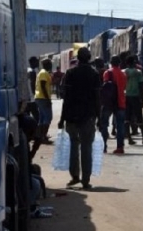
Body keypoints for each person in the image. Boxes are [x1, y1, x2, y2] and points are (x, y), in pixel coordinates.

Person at [58, 47, 101, 190]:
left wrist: (62, 118)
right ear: (89, 58)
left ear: (78, 58)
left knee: (73, 146)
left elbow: (67, 97)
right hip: (88, 116)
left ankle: (74, 176)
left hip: (72, 115)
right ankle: (85, 180)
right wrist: (99, 117)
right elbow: (97, 97)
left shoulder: (70, 73)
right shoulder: (94, 74)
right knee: (87, 147)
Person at [123, 55, 143, 145]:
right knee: (139, 118)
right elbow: (141, 85)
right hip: (135, 97)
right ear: (134, 63)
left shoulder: (123, 72)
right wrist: (142, 98)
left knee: (127, 118)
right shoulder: (138, 72)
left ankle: (129, 139)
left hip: (126, 96)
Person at [100, 55, 127, 154]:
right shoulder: (123, 74)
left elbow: (106, 86)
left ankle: (104, 146)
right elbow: (124, 87)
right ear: (119, 63)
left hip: (109, 102)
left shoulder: (108, 72)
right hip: (120, 102)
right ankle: (120, 147)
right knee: (120, 126)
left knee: (104, 124)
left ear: (111, 62)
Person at [34, 59, 54, 145]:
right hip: (43, 98)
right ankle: (43, 136)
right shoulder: (43, 73)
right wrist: (47, 99)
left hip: (40, 98)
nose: (51, 65)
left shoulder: (43, 72)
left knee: (42, 118)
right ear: (47, 65)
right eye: (50, 64)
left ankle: (40, 136)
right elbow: (42, 86)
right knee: (48, 117)